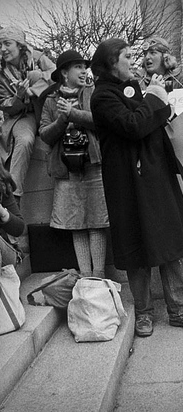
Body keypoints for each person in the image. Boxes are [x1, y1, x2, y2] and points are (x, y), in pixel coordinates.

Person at [90, 38, 183, 337]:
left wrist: (156, 98)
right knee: (135, 244)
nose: (133, 61)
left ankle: (180, 309)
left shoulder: (135, 88)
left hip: (153, 175)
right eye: (127, 56)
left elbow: (156, 117)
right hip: (125, 181)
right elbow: (134, 125)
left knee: (167, 242)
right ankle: (143, 313)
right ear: (112, 62)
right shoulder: (102, 97)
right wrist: (154, 97)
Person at [38, 50, 109, 279]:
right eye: (77, 67)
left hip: (93, 164)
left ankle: (98, 276)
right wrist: (62, 119)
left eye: (83, 66)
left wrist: (73, 113)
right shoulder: (50, 99)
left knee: (97, 221)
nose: (83, 71)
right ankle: (86, 277)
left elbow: (103, 122)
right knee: (75, 224)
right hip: (67, 169)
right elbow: (44, 135)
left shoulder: (93, 92)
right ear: (64, 72)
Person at [0, 26, 55, 201]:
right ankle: (13, 197)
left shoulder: (38, 58)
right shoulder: (1, 71)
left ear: (20, 45)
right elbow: (5, 105)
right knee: (24, 140)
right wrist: (19, 96)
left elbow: (57, 75)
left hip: (47, 109)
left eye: (7, 44)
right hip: (23, 116)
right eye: (0, 45)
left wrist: (33, 89)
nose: (2, 49)